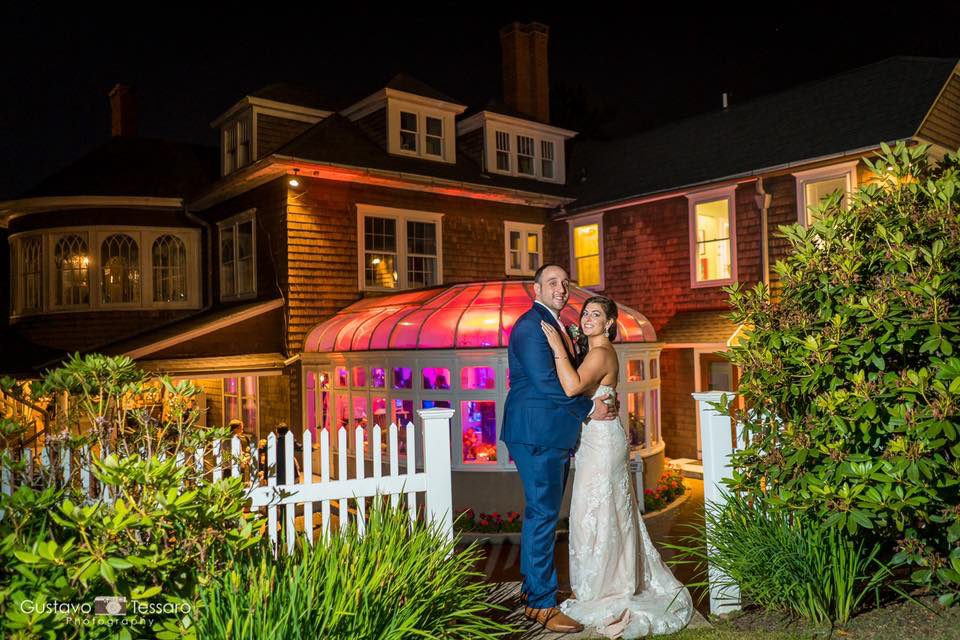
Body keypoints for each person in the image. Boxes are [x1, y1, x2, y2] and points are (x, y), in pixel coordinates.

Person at [541, 295, 693, 639]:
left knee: (594, 515)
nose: (588, 317)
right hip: (597, 440)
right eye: (585, 313)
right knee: (602, 513)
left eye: (596, 314)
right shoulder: (595, 353)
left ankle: (608, 588)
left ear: (610, 323)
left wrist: (556, 347)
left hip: (602, 444)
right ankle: (609, 581)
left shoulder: (599, 353)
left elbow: (571, 386)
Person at [501, 264, 618, 634]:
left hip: (551, 435)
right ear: (535, 289)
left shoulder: (553, 325)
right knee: (543, 515)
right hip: (537, 434)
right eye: (552, 282)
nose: (561, 288)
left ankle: (533, 589)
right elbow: (549, 384)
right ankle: (541, 605)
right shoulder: (530, 326)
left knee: (542, 514)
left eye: (565, 283)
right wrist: (590, 409)